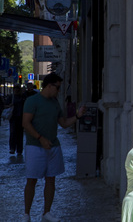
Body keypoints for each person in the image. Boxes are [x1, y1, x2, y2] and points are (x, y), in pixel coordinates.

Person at [21, 72, 86, 222]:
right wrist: (40, 138)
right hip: (34, 147)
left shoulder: (55, 103)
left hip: (53, 146)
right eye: (57, 87)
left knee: (51, 179)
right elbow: (25, 123)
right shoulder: (32, 101)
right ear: (49, 86)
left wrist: (77, 116)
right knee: (32, 180)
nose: (59, 90)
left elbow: (63, 123)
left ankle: (46, 212)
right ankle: (26, 214)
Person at [7, 84, 26, 155]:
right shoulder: (11, 97)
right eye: (15, 88)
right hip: (13, 117)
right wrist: (9, 105)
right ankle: (12, 148)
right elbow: (5, 105)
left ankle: (19, 149)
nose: (16, 90)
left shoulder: (23, 97)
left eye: (18, 88)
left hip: (21, 117)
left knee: (20, 134)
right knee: (12, 133)